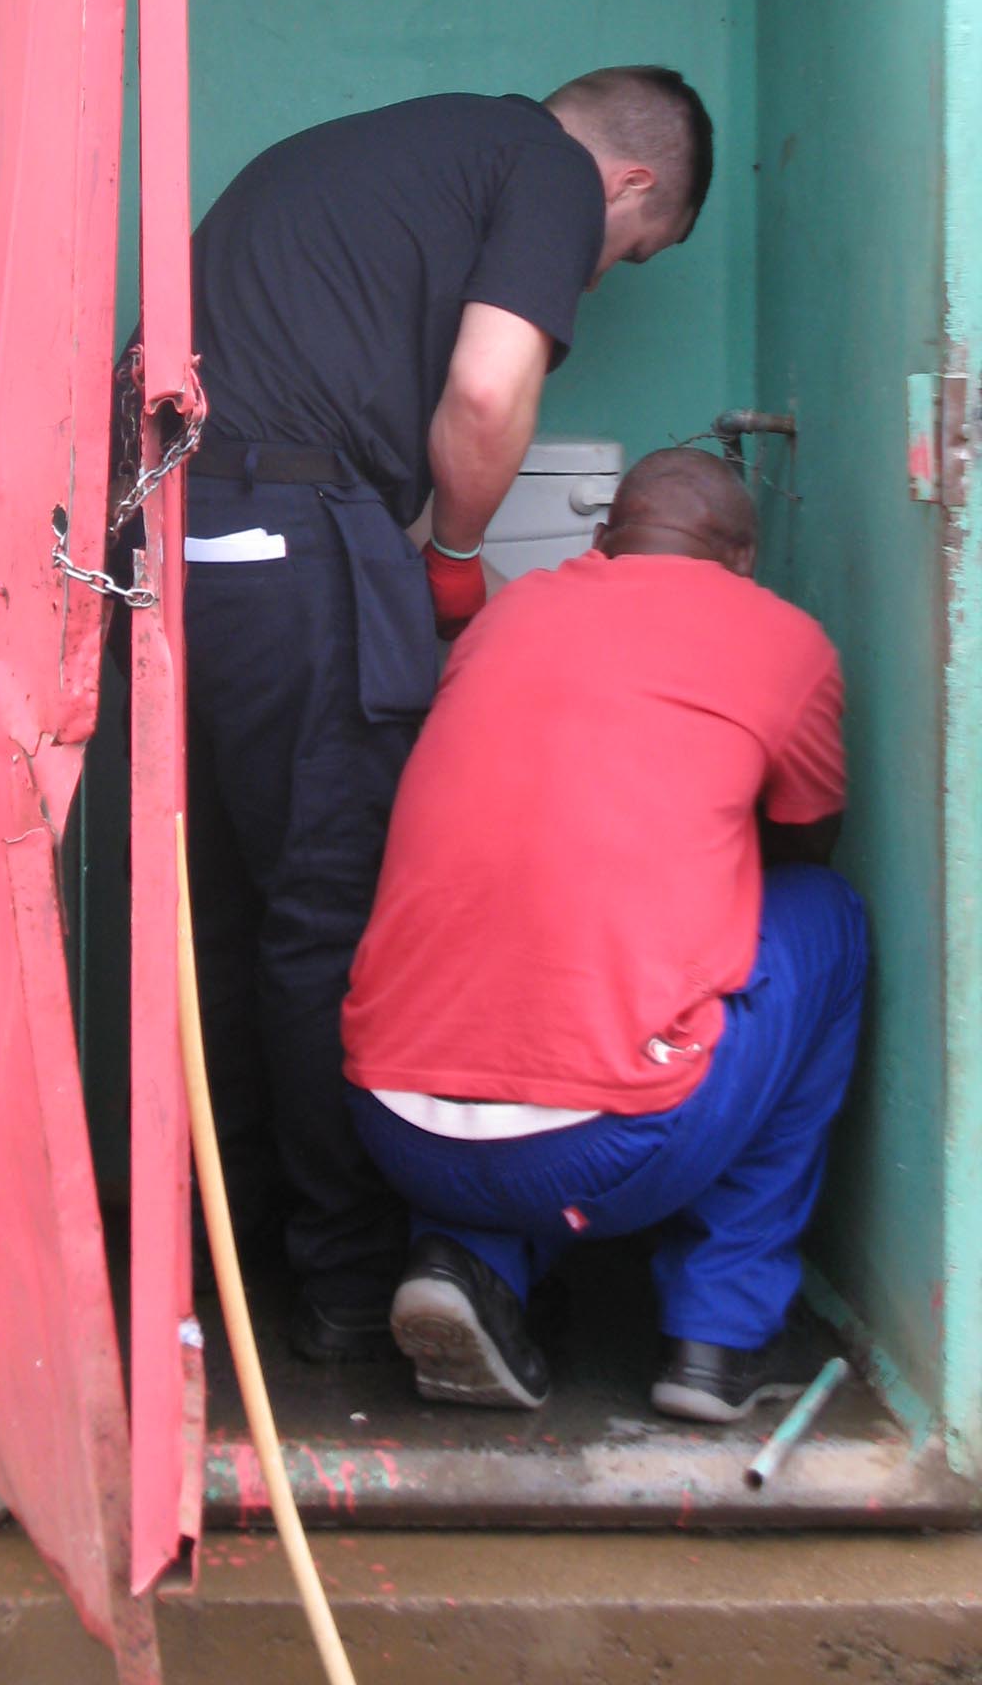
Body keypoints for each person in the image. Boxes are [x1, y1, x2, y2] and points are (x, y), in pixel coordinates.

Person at [182, 68, 712, 1363]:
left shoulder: (376, 152)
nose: (593, 278)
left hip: (188, 539)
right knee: (326, 923)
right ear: (627, 184)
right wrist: (456, 555)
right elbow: (487, 393)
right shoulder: (542, 163)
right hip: (299, 543)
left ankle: (229, 1261)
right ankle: (352, 1284)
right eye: (622, 258)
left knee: (235, 918)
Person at [342, 448, 860, 1424]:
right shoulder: (785, 639)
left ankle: (468, 1259)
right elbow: (804, 843)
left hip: (393, 1124)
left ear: (599, 539)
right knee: (826, 924)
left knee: (501, 955)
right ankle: (720, 1330)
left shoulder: (511, 614)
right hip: (611, 1149)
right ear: (744, 557)